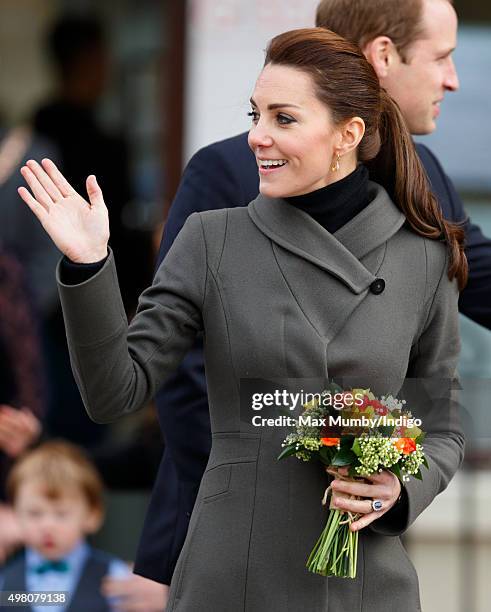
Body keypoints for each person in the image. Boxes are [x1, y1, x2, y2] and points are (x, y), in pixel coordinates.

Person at [19, 26, 466, 610]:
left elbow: (442, 424)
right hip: (232, 572)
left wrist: (398, 488)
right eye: (255, 115)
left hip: (365, 581)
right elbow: (114, 392)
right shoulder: (213, 240)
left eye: (283, 118)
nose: (256, 137)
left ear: (347, 135)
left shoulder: (423, 257)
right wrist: (88, 264)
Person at [132, 0, 491, 597]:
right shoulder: (228, 170)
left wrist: (392, 479)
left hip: (357, 535)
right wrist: (255, 498)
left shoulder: (423, 177)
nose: (452, 78)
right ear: (383, 56)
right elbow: (178, 370)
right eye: (443, 57)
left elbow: (440, 381)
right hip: (220, 528)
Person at [0, 440, 131, 611]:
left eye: (61, 514)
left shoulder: (114, 576)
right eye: (34, 513)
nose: (47, 526)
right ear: (16, 514)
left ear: (92, 515)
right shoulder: (5, 581)